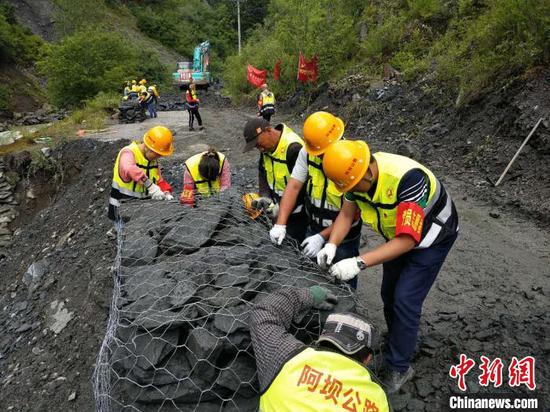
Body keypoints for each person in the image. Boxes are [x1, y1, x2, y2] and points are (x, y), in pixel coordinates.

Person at [317, 139, 459, 393]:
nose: (352, 191)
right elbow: (347, 214)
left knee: (405, 299)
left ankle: (400, 367)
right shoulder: (354, 177)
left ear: (368, 173)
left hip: (432, 237)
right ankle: (400, 339)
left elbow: (408, 240)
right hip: (396, 235)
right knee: (389, 293)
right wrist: (331, 244)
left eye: (354, 186)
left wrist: (359, 262)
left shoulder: (408, 180)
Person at [250, 286, 390, 411]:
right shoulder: (379, 401)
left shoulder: (286, 358)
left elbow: (264, 313)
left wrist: (311, 295)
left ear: (322, 339)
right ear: (367, 359)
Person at [269, 112, 363, 288]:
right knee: (311, 278)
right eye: (317, 153)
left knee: (342, 281)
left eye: (322, 153)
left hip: (344, 236)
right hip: (313, 227)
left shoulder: (353, 161)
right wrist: (280, 224)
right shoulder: (308, 152)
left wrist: (322, 238)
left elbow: (350, 214)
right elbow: (294, 186)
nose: (319, 157)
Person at [242, 117, 307, 243]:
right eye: (256, 146)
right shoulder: (266, 149)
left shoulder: (293, 148)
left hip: (298, 214)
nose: (259, 149)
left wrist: (281, 208)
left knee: (294, 246)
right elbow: (263, 171)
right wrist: (265, 196)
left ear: (268, 130)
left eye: (258, 143)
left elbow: (302, 187)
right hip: (278, 209)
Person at [108, 125, 175, 221]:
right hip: (122, 205)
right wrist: (151, 186)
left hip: (140, 208)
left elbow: (159, 180)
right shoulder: (128, 153)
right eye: (157, 154)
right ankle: (116, 231)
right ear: (148, 147)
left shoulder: (153, 161)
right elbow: (129, 168)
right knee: (123, 230)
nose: (158, 157)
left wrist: (166, 192)